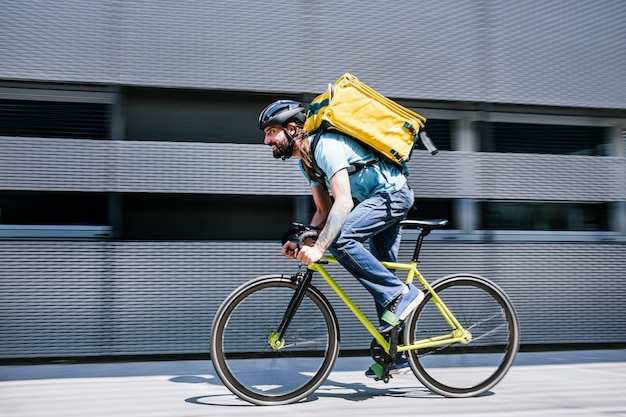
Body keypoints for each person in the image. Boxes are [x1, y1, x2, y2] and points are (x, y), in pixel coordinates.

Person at [258, 99, 424, 377]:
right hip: (373, 203)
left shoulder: (326, 147)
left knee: (341, 241)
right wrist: (304, 240)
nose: (266, 141)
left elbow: (344, 202)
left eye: (270, 132)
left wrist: (321, 245)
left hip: (392, 196)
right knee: (380, 268)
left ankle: (402, 295)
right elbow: (323, 209)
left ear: (291, 129)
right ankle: (398, 355)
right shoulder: (307, 163)